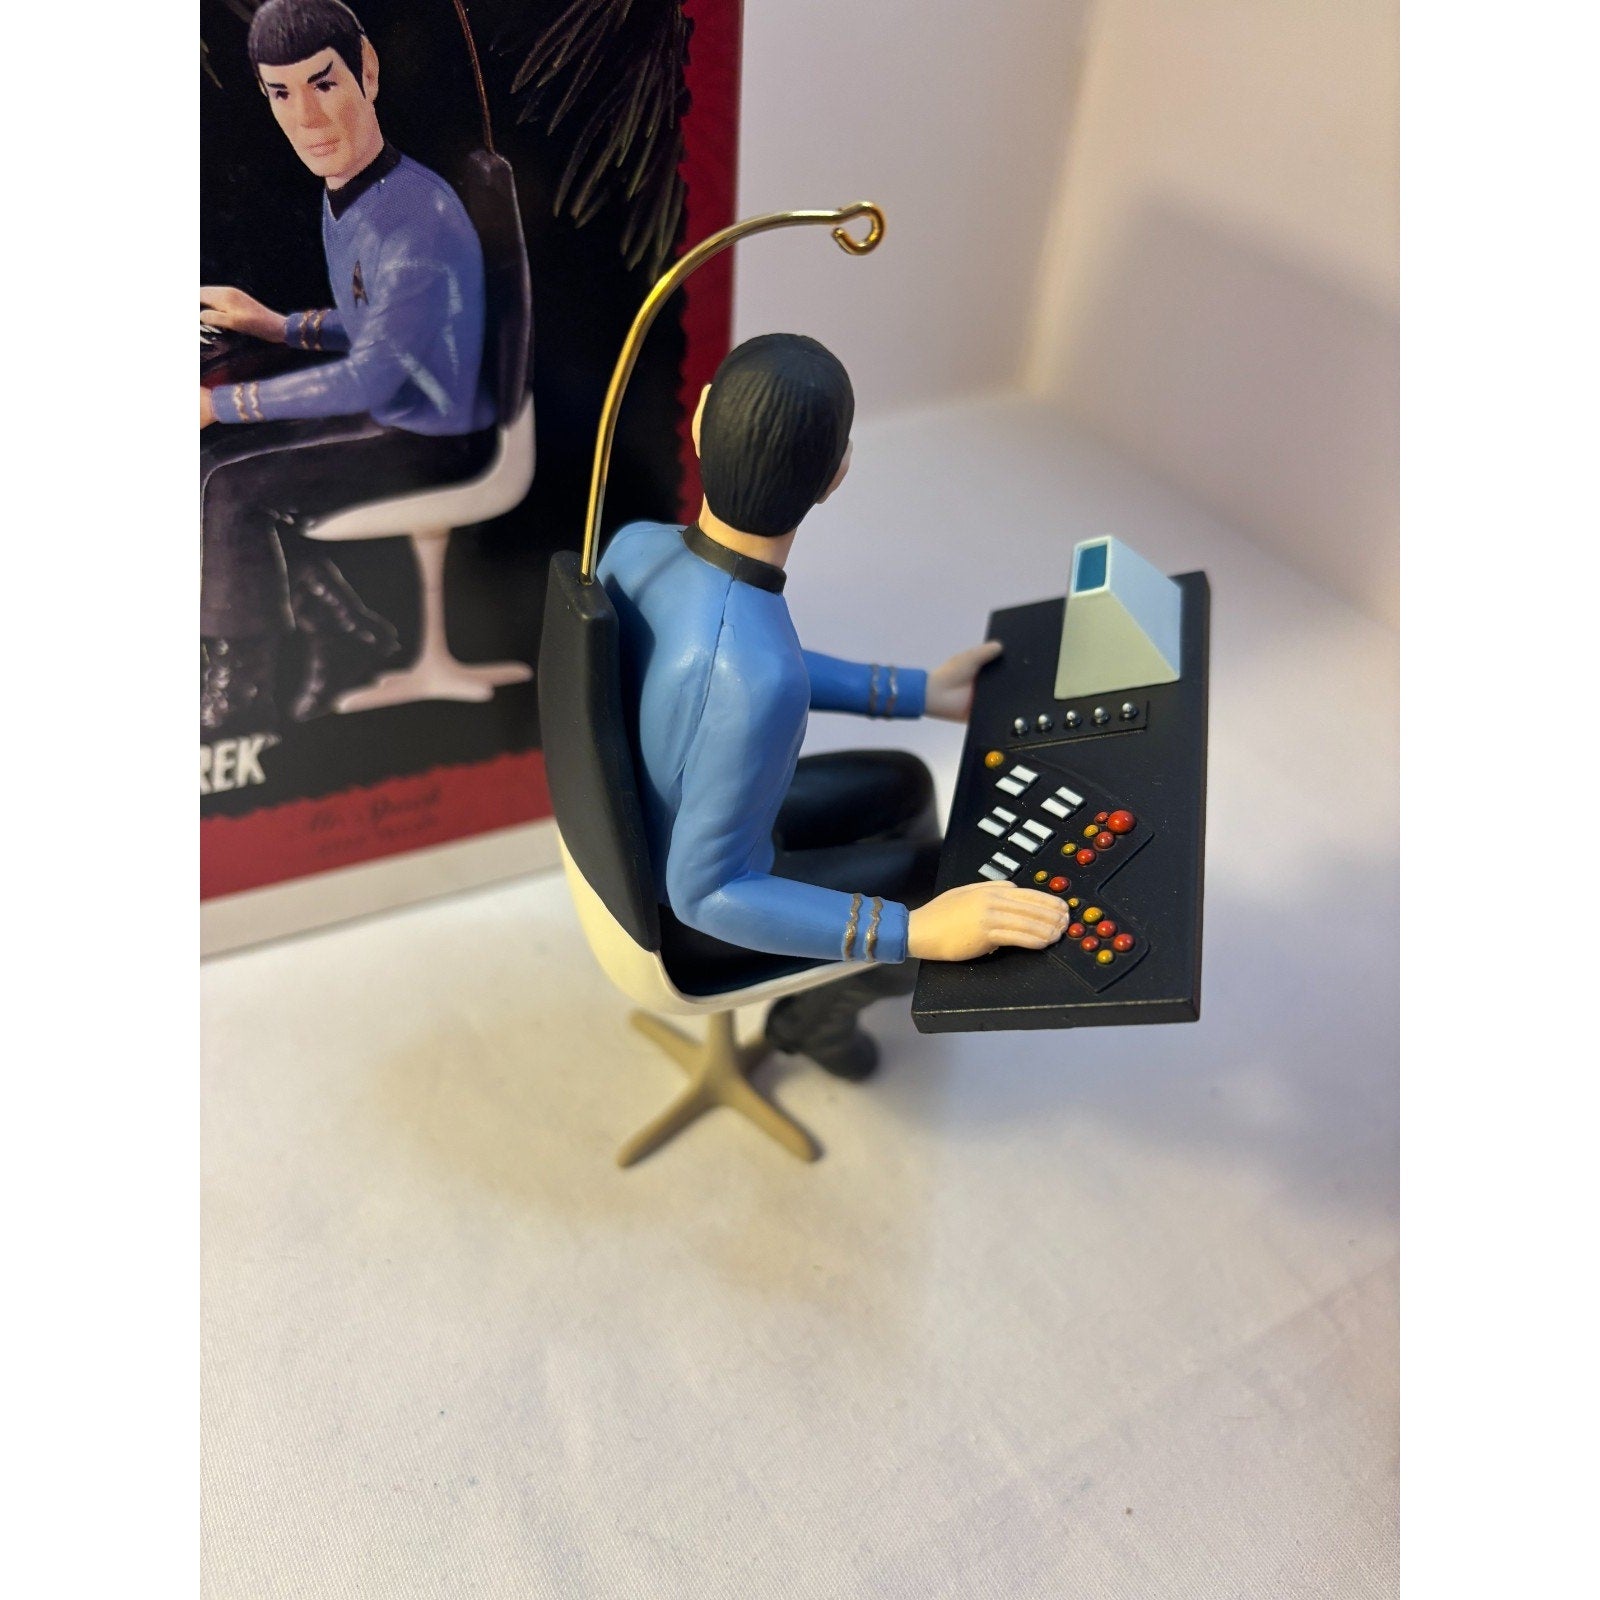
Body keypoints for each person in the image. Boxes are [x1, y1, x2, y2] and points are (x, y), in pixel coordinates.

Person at [598, 333, 1069, 1078]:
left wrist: (915, 692)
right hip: (687, 920)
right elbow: (706, 894)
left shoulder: (635, 547)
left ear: (702, 419)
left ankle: (854, 948)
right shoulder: (757, 677)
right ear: (836, 474)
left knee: (906, 781)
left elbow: (731, 667)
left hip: (654, 824)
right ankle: (813, 1022)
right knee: (945, 885)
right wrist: (913, 932)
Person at [199, 0, 497, 736]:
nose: (306, 117)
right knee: (211, 463)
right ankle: (342, 628)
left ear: (367, 69)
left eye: (323, 84)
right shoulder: (353, 195)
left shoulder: (414, 216)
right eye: (281, 93)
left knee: (232, 487)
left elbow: (373, 374)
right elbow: (379, 328)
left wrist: (221, 404)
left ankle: (243, 694)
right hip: (398, 409)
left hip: (436, 433)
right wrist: (275, 325)